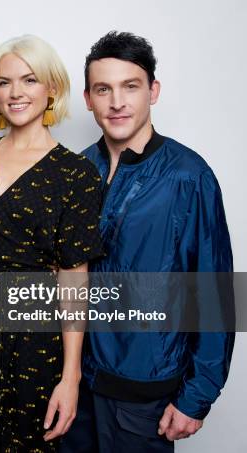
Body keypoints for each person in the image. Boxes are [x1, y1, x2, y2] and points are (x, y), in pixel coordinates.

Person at [61, 32, 234, 453]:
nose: (116, 101)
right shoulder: (76, 171)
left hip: (144, 389)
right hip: (75, 385)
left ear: (153, 91)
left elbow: (213, 292)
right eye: (104, 89)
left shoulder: (188, 177)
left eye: (130, 86)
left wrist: (197, 397)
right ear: (88, 98)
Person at [0, 35, 104, 452]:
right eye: (3, 82)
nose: (15, 93)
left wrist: (71, 378)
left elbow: (73, 278)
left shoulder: (76, 173)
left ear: (51, 88)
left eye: (29, 80)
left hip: (33, 323)